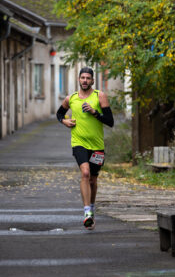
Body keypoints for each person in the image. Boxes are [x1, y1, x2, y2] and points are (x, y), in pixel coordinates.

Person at [56, 67, 114, 230]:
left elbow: (110, 121)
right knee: (85, 173)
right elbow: (59, 113)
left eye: (88, 78)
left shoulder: (99, 96)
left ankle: (92, 208)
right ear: (78, 79)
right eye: (82, 78)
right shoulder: (71, 98)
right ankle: (87, 211)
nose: (85, 81)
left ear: (92, 81)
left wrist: (95, 112)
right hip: (78, 142)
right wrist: (64, 121)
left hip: (97, 145)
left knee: (93, 180)